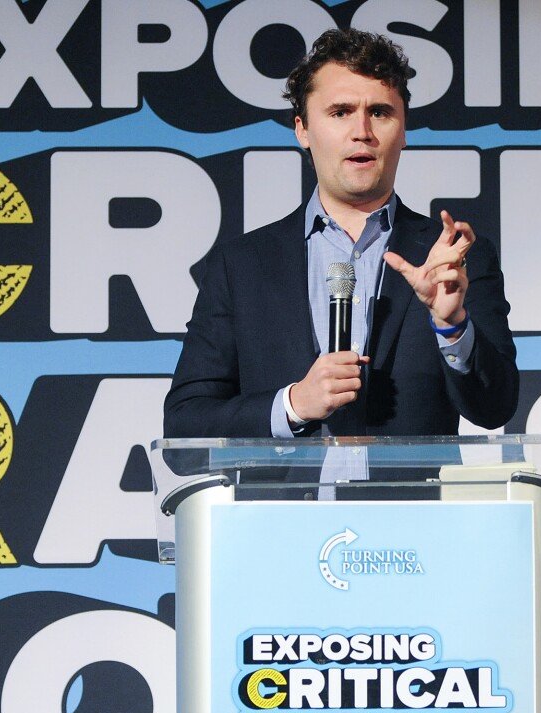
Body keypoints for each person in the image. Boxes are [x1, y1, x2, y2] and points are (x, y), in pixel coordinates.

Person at [164, 28, 518, 439]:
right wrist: (293, 404)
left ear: (403, 129)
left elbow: (496, 409)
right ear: (302, 129)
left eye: (380, 112)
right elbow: (185, 423)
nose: (362, 131)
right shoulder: (241, 265)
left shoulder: (453, 258)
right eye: (340, 112)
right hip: (281, 483)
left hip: (407, 486)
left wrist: (451, 325)